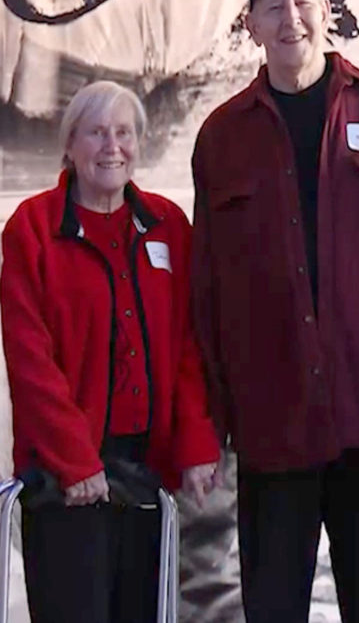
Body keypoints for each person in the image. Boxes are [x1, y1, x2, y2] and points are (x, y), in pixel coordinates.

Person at [191, 0, 359, 623]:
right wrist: (221, 408)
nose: (290, 19)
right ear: (252, 25)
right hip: (273, 414)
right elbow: (207, 286)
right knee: (273, 605)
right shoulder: (222, 137)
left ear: (325, 13)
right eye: (273, 8)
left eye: (302, 3)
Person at [0, 80, 220, 623]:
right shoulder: (32, 228)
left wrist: (195, 444)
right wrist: (76, 464)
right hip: (65, 482)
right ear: (70, 144)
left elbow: (190, 348)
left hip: (148, 477)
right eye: (96, 133)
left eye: (124, 133)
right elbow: (30, 362)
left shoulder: (168, 225)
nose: (111, 146)